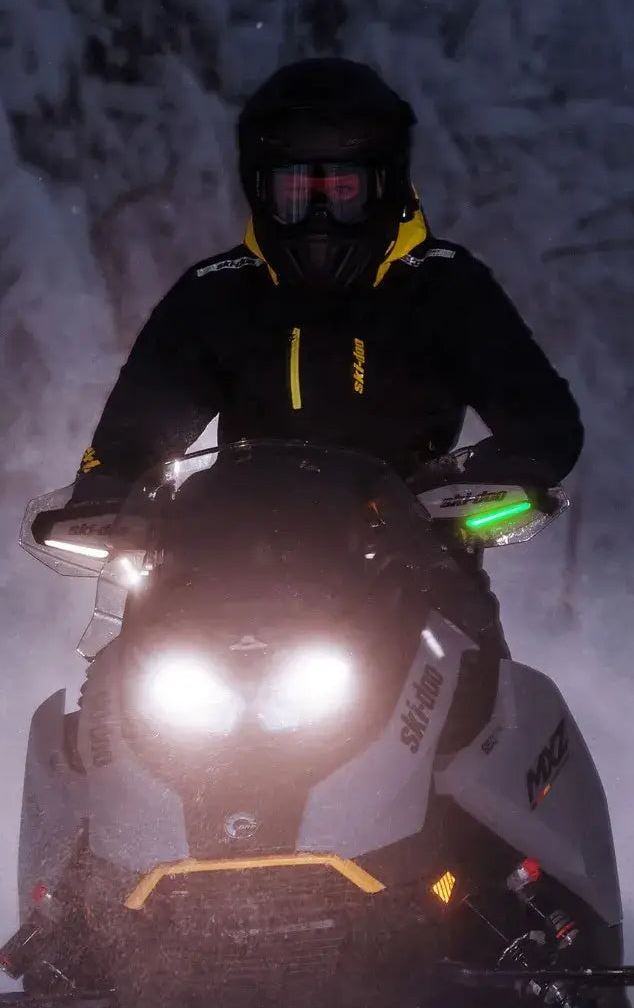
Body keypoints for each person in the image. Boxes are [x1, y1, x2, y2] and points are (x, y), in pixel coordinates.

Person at [68, 57, 584, 653]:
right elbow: (135, 431)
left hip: (414, 578)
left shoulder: (443, 289)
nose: (318, 218)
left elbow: (545, 424)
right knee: (107, 701)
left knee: (486, 703)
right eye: (295, 193)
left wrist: (476, 484)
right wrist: (110, 489)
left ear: (384, 184)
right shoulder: (217, 295)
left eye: (342, 192)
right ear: (260, 190)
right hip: (222, 579)